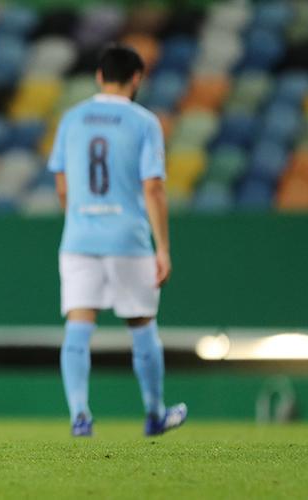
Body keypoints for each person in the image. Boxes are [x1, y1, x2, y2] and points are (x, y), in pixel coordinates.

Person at [47, 44, 187, 437]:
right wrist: (163, 248)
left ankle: (79, 414)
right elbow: (154, 187)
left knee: (78, 325)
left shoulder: (72, 119)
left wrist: (78, 218)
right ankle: (155, 413)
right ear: (136, 78)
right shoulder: (144, 122)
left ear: (99, 76)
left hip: (79, 237)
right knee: (142, 325)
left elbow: (62, 184)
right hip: (128, 237)